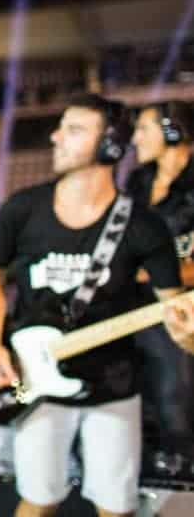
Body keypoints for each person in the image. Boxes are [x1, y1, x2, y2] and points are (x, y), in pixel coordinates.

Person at [0, 93, 194, 517]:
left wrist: (187, 334)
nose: (56, 136)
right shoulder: (23, 208)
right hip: (34, 381)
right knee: (38, 498)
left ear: (111, 144)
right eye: (61, 127)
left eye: (74, 129)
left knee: (115, 505)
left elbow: (173, 310)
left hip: (114, 387)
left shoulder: (143, 226)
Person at [127, 100, 194, 454]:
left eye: (143, 129)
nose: (135, 139)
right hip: (134, 309)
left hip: (180, 312)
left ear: (172, 132)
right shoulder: (139, 180)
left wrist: (157, 272)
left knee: (176, 406)